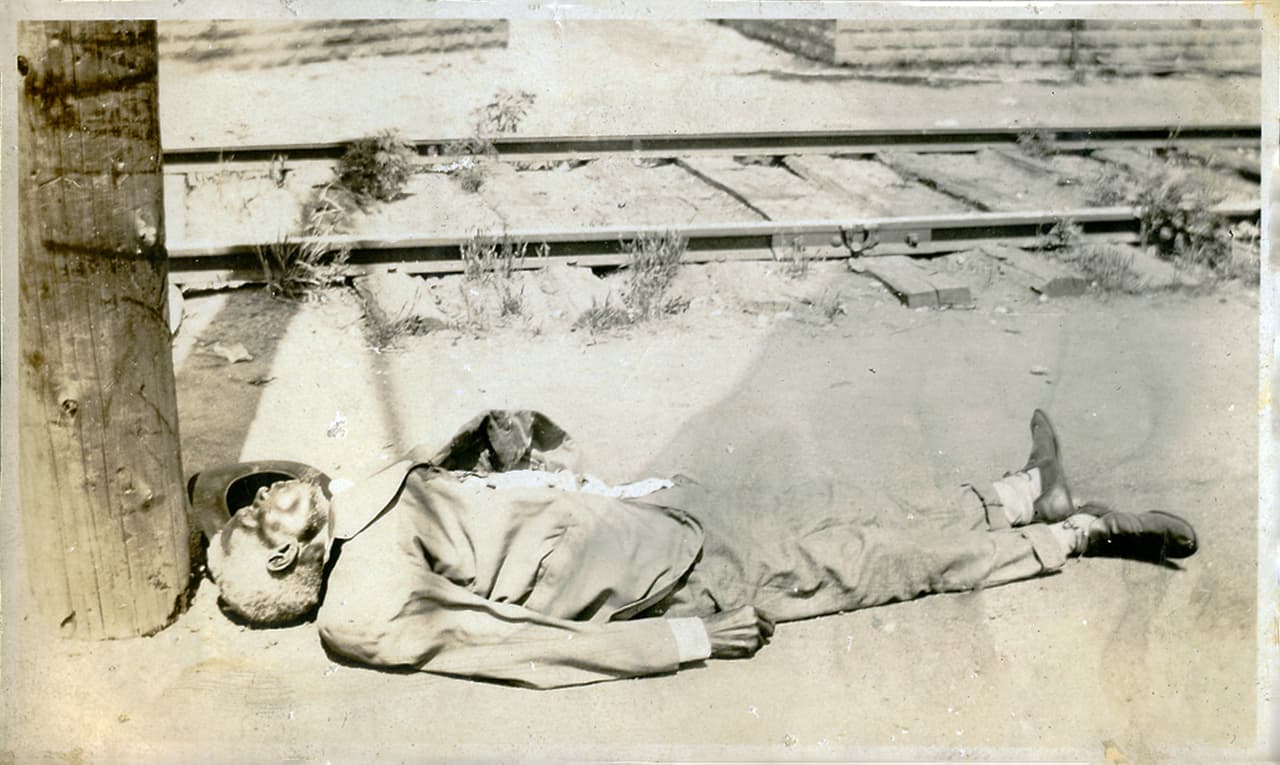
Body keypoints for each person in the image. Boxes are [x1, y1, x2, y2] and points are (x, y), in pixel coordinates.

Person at [200, 409, 1197, 689]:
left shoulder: (347, 503)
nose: (270, 492)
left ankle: (1025, 493)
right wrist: (680, 643)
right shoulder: (364, 606)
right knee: (873, 562)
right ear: (289, 559)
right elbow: (513, 648)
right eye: (261, 514)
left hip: (642, 515)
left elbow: (471, 507)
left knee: (840, 507)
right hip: (668, 575)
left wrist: (502, 447)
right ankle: (1074, 535)